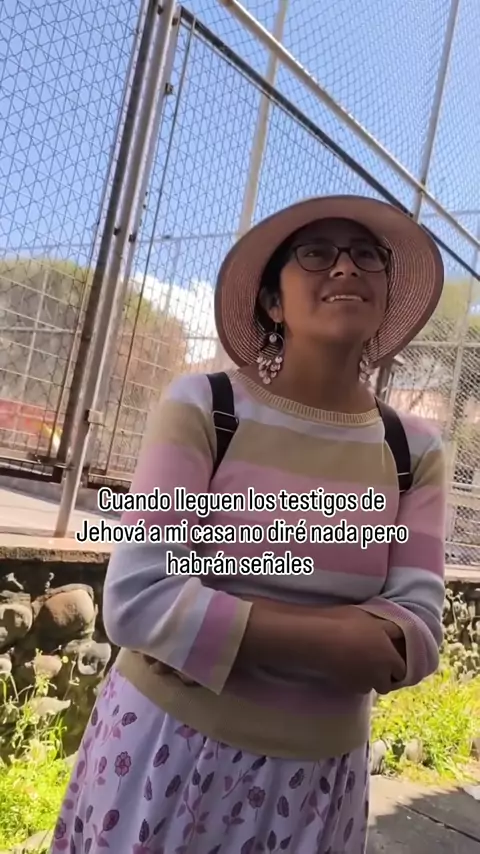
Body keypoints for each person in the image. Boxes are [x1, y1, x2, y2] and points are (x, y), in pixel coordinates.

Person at [51, 195, 446, 854]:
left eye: (366, 255)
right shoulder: (207, 407)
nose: (346, 266)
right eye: (316, 253)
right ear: (271, 302)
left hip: (318, 786)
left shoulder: (415, 451)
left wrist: (216, 624)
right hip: (165, 758)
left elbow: (417, 635)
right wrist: (341, 634)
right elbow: (139, 599)